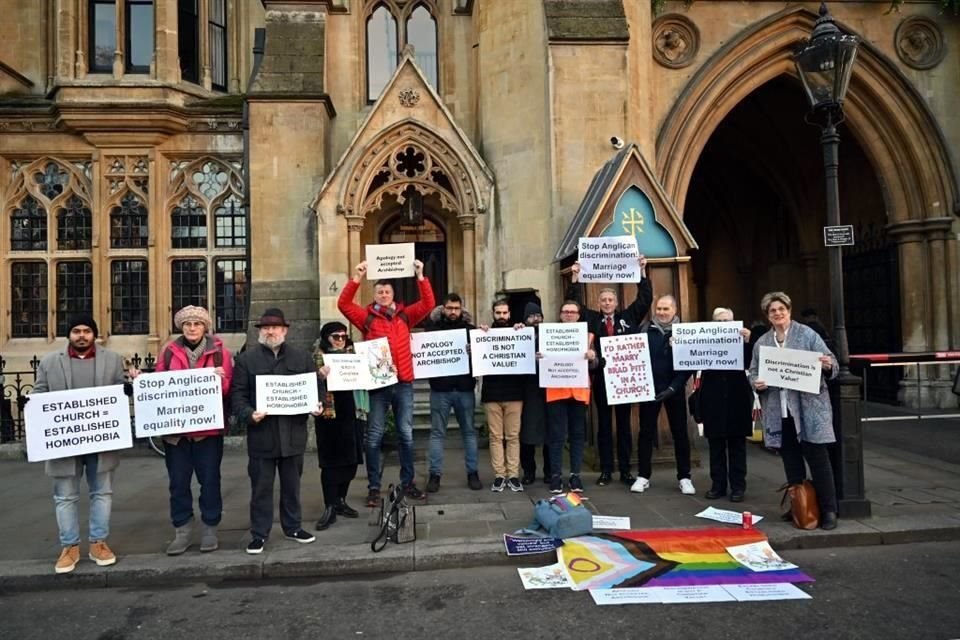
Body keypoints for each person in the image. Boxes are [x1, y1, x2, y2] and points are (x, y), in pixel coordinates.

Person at [31, 315, 128, 574]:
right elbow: (40, 392)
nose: (82, 335)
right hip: (65, 442)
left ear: (94, 334)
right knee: (65, 496)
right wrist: (31, 404)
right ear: (69, 335)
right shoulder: (50, 362)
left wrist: (128, 387)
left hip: (101, 441)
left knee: (102, 493)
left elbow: (120, 389)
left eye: (87, 331)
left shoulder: (112, 359)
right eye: (76, 331)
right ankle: (69, 546)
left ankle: (98, 542)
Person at [338, 259, 436, 506]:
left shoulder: (405, 315)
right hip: (378, 386)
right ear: (375, 295)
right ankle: (373, 487)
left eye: (387, 292)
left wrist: (420, 276)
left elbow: (428, 304)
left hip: (403, 383)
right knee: (373, 437)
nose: (383, 295)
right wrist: (357, 276)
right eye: (379, 292)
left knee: (406, 435)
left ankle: (408, 482)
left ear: (393, 294)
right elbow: (343, 304)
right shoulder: (366, 318)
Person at [232, 308, 323, 554]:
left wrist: (317, 404)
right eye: (265, 328)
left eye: (275, 327)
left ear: (285, 330)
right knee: (261, 487)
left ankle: (293, 527)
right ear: (260, 332)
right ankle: (259, 534)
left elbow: (315, 387)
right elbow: (238, 395)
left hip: (293, 435)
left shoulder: (302, 358)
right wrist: (249, 413)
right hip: (263, 436)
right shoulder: (246, 360)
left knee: (292, 485)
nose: (270, 331)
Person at [749, 291, 839, 530]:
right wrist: (756, 382)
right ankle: (799, 504)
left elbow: (832, 363)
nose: (778, 314)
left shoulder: (807, 334)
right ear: (768, 316)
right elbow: (754, 371)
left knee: (818, 459)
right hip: (781, 411)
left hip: (809, 409)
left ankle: (829, 510)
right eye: (772, 311)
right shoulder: (763, 343)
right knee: (791, 461)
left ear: (789, 310)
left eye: (781, 309)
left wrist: (828, 365)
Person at [154, 305, 233, 555]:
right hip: (176, 434)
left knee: (209, 481)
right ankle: (183, 530)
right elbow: (158, 386)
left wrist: (220, 380)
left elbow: (227, 389)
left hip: (207, 433)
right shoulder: (168, 352)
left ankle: (210, 527)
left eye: (197, 324)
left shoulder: (220, 353)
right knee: (178, 483)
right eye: (187, 324)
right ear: (181, 327)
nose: (191, 328)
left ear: (205, 327)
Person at [568, 256, 652, 486]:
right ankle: (606, 469)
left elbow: (645, 300)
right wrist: (575, 276)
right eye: (603, 300)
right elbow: (573, 305)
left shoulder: (628, 317)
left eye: (610, 300)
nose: (606, 303)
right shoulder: (592, 319)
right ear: (599, 302)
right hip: (602, 380)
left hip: (624, 381)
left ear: (616, 303)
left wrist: (642, 272)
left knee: (624, 426)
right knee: (603, 426)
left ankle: (625, 470)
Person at [633, 295, 694, 495]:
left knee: (680, 434)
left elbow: (688, 365)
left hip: (674, 390)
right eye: (659, 308)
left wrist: (674, 388)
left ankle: (684, 477)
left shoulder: (685, 332)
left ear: (674, 310)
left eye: (666, 309)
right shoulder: (644, 330)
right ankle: (643, 476)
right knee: (646, 433)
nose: (661, 312)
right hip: (649, 390)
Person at [424, 294, 481, 493]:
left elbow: (482, 359)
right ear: (443, 308)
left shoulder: (471, 331)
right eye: (449, 308)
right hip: (440, 390)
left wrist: (475, 350)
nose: (453, 312)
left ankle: (473, 473)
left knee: (469, 432)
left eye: (456, 308)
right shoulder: (431, 330)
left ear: (462, 309)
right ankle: (435, 475)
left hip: (465, 389)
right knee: (438, 433)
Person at [695, 307, 753, 502]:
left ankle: (738, 487)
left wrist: (747, 342)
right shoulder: (705, 343)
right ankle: (717, 485)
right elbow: (690, 359)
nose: (723, 325)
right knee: (716, 445)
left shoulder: (743, 342)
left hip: (737, 397)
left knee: (737, 445)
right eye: (719, 322)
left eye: (727, 321)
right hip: (713, 397)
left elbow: (751, 362)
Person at [313, 322, 366, 530]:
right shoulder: (316, 358)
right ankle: (329, 505)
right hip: (329, 416)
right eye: (336, 337)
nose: (340, 340)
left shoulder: (354, 356)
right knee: (330, 463)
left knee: (351, 462)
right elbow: (306, 383)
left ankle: (341, 500)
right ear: (327, 338)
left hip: (351, 413)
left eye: (344, 336)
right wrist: (319, 377)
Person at [545, 300, 598, 494]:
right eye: (565, 311)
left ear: (578, 315)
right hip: (556, 391)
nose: (568, 314)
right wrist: (539, 357)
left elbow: (598, 363)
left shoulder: (588, 336)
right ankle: (556, 476)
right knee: (557, 437)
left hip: (579, 392)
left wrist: (592, 358)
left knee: (577, 436)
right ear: (560, 315)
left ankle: (575, 476)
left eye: (572, 312)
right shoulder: (548, 336)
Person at [479, 299, 526, 492]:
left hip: (515, 393)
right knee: (495, 437)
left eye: (504, 313)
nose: (501, 317)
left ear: (509, 314)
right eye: (498, 313)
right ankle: (499, 475)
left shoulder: (518, 333)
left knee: (513, 436)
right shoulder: (484, 335)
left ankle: (513, 475)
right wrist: (478, 336)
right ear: (493, 314)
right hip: (492, 394)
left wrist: (523, 331)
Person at [519, 302, 550, 485]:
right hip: (528, 390)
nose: (535, 319)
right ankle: (528, 471)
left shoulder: (550, 335)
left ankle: (549, 471)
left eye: (538, 315)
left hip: (548, 390)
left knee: (549, 435)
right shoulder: (520, 336)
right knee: (527, 435)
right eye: (531, 316)